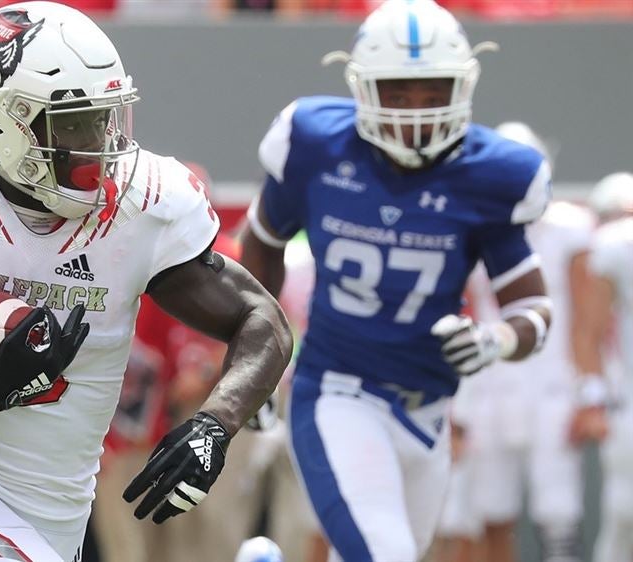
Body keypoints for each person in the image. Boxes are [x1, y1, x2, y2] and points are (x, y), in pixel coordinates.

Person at [0, 3, 292, 561]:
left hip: (57, 515)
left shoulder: (142, 202)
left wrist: (215, 424)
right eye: (72, 124)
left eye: (104, 118)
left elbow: (263, 321)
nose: (99, 145)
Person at [237, 1, 554, 560]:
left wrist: (497, 339)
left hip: (429, 411)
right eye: (397, 92)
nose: (416, 111)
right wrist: (254, 355)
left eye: (433, 92)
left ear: (463, 86)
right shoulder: (313, 143)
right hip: (338, 392)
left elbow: (532, 306)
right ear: (361, 88)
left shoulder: (493, 175)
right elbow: (262, 242)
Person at [451, 122, 592, 562]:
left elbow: (585, 317)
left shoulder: (571, 230)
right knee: (491, 509)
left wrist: (587, 387)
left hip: (552, 379)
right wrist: (460, 400)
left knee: (557, 513)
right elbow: (465, 313)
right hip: (492, 379)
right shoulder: (473, 230)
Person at [572, 171, 633, 562]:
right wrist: (593, 397)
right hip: (626, 399)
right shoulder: (614, 247)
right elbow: (590, 332)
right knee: (624, 514)